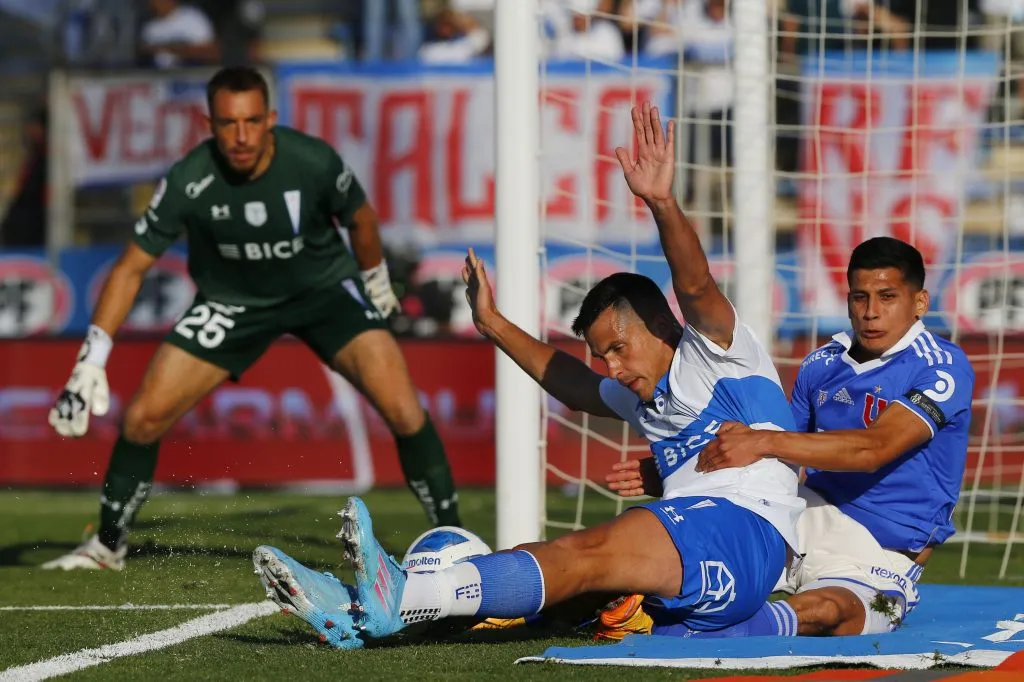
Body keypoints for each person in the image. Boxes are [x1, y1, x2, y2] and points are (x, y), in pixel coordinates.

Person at [250, 101, 807, 649]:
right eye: (602, 357)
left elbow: (697, 285)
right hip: (709, 558)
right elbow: (568, 379)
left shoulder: (715, 352)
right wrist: (492, 325)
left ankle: (398, 593)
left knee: (587, 553)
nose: (612, 367)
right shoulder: (645, 394)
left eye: (617, 347)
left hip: (745, 530)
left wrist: (661, 202)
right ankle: (364, 613)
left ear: (661, 323)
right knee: (556, 585)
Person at [43, 66, 461, 572]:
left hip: (324, 292)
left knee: (403, 410)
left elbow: (361, 217)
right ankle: (108, 547)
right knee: (142, 418)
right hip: (233, 303)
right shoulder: (188, 180)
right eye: (227, 123)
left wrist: (372, 280)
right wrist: (92, 359)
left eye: (251, 121)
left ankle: (454, 540)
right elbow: (131, 266)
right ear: (208, 123)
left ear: (271, 120)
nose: (240, 137)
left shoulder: (312, 161)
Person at [605, 236, 975, 637]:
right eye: (859, 297)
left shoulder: (942, 366)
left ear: (919, 302)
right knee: (697, 549)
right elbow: (781, 461)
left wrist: (763, 441)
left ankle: (702, 630)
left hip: (882, 549)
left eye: (887, 297)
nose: (870, 312)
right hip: (804, 514)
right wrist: (683, 468)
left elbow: (875, 449)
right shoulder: (822, 363)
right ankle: (595, 597)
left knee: (835, 614)